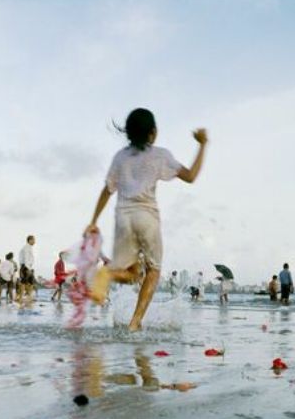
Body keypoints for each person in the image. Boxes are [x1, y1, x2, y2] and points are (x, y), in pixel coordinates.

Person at [84, 108, 208, 331]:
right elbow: (190, 176)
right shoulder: (160, 155)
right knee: (153, 270)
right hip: (146, 217)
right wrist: (202, 144)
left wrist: (93, 221)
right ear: (153, 133)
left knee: (133, 274)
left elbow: (107, 189)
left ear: (129, 133)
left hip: (123, 217)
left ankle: (106, 272)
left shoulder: (120, 157)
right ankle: (135, 322)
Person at [18, 235, 37, 303]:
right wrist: (28, 268)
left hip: (28, 267)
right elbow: (26, 258)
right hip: (25, 267)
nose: (35, 241)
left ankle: (28, 297)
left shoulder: (29, 247)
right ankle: (21, 297)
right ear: (29, 240)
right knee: (23, 282)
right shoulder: (26, 247)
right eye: (34, 240)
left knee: (31, 282)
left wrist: (30, 268)